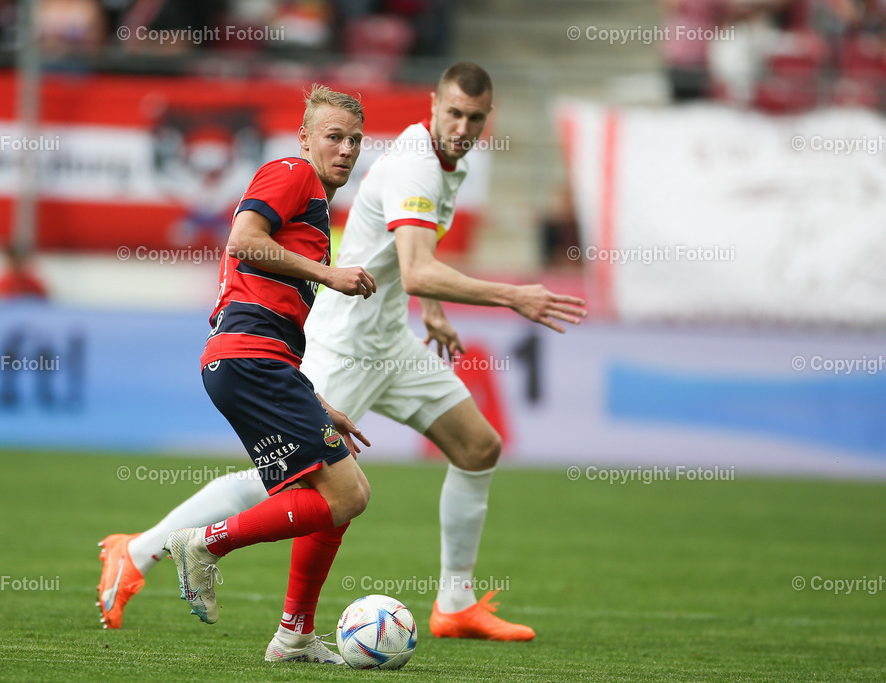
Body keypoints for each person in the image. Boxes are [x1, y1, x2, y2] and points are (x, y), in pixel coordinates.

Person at [98, 62, 587, 642]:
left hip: (388, 338)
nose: (462, 126)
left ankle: (453, 604)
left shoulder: (442, 167)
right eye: (453, 112)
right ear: (433, 103)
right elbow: (415, 266)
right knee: (296, 487)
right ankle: (146, 550)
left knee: (478, 446)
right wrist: (513, 296)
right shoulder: (407, 166)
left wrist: (429, 309)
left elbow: (403, 259)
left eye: (475, 118)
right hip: (347, 342)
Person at [102, 84, 376, 665]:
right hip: (249, 357)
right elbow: (244, 241)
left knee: (328, 492)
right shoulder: (290, 172)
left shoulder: (315, 208)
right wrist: (329, 274)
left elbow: (268, 303)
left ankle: (294, 636)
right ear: (304, 138)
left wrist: (314, 400)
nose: (347, 149)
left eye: (355, 139)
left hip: (255, 359)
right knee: (349, 494)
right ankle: (202, 543)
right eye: (334, 136)